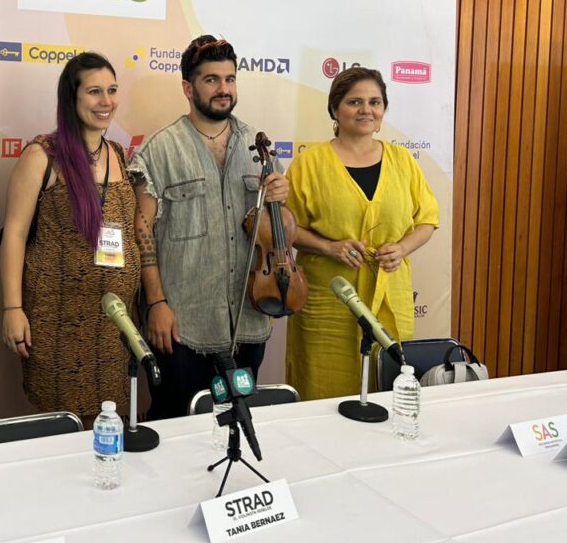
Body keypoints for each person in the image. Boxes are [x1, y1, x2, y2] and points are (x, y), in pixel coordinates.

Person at [128, 35, 289, 420]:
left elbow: (275, 232)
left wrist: (280, 199)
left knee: (235, 420)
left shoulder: (258, 145)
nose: (224, 89)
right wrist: (156, 304)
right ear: (188, 87)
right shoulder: (160, 150)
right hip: (183, 324)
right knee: (175, 420)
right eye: (212, 80)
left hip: (248, 319)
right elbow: (142, 231)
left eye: (230, 79)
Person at [0, 52, 140, 426]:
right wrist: (13, 309)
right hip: (59, 324)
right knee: (66, 428)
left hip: (112, 327)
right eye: (94, 91)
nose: (106, 101)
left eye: (111, 90)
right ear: (71, 98)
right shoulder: (42, 155)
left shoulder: (118, 154)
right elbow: (13, 234)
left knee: (110, 424)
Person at [284, 66, 439, 400]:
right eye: (355, 102)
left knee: (388, 387)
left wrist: (402, 248)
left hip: (389, 295)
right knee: (323, 389)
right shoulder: (308, 164)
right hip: (327, 299)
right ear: (335, 110)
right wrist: (328, 247)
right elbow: (287, 229)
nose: (366, 110)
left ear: (383, 111)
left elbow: (427, 220)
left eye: (375, 102)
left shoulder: (402, 160)